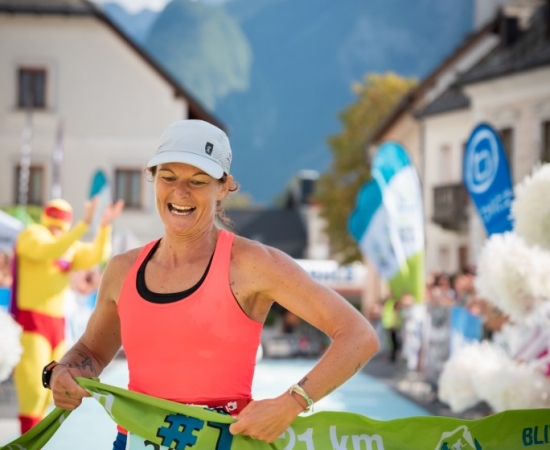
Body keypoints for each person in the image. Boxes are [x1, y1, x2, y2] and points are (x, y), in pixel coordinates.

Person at [48, 119, 380, 447]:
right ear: (152, 178)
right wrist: (63, 372)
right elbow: (90, 352)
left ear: (223, 187)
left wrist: (293, 402)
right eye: (168, 177)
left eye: (197, 181)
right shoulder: (123, 270)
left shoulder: (252, 264)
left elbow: (359, 336)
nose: (180, 192)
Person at [11, 196, 123, 434]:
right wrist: (84, 225)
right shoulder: (32, 235)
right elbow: (49, 250)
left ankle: (40, 442)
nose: (57, 226)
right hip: (31, 324)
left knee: (50, 394)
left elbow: (98, 255)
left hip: (56, 325)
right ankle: (27, 442)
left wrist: (104, 227)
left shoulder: (67, 245)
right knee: (33, 391)